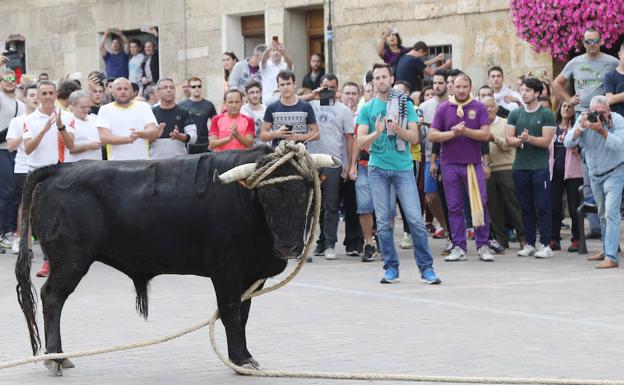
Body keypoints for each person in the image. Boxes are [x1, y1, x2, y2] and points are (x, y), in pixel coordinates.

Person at [356, 63, 441, 284]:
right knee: (383, 222)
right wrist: (378, 132)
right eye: (377, 77)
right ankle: (391, 268)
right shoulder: (367, 108)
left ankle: (426, 269)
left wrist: (398, 130)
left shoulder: (404, 104)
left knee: (415, 219)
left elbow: (414, 138)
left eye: (384, 76)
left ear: (391, 79)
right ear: (372, 81)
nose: (381, 80)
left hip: (403, 169)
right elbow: (360, 141)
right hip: (377, 169)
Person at [553, 29, 618, 240]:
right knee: (587, 165)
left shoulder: (610, 61)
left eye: (596, 40)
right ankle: (596, 225)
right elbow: (556, 83)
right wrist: (568, 99)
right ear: (582, 42)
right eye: (588, 41)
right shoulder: (575, 62)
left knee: (609, 158)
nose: (592, 44)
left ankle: (608, 220)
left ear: (601, 41)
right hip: (582, 114)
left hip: (605, 116)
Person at [428, 73, 495, 262]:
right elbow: (432, 135)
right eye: (458, 86)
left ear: (470, 87)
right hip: (449, 164)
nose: (461, 90)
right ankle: (459, 246)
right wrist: (452, 133)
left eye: (465, 86)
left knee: (480, 203)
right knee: (454, 206)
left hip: (472, 164)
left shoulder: (479, 107)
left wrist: (465, 131)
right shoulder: (443, 108)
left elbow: (485, 134)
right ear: (452, 88)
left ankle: (483, 245)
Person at [22, 81, 75, 277]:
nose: (47, 96)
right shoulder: (30, 119)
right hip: (37, 173)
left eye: (50, 92)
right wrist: (44, 130)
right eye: (43, 93)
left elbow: (71, 145)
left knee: (62, 218)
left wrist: (60, 126)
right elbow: (27, 149)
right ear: (38, 95)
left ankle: (58, 259)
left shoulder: (67, 117)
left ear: (55, 95)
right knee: (39, 220)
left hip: (61, 172)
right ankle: (47, 260)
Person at [564, 95, 624, 268]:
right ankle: (606, 250)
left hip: (616, 172)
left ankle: (612, 257)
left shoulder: (618, 121)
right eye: (595, 113)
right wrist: (579, 129)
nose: (599, 117)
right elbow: (568, 142)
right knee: (602, 214)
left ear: (609, 111)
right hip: (595, 174)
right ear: (590, 111)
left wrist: (602, 131)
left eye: (602, 113)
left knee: (611, 214)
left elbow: (620, 146)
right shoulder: (584, 119)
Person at [505, 78, 556, 258]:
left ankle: (546, 244)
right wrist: (520, 140)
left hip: (539, 167)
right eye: (522, 90)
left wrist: (529, 139)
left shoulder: (547, 114)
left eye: (527, 90)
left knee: (543, 206)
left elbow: (546, 141)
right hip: (520, 166)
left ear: (537, 93)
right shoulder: (515, 114)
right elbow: (509, 139)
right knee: (525, 207)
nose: (524, 93)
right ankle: (529, 243)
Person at [305, 74, 355, 261]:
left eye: (331, 88)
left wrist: (349, 163)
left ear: (337, 88)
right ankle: (315, 242)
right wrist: (312, 95)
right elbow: (289, 101)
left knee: (331, 205)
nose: (328, 91)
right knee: (312, 205)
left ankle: (329, 244)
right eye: (325, 87)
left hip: (333, 162)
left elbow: (350, 138)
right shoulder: (309, 106)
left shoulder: (343, 110)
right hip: (311, 161)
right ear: (320, 86)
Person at [482, 97, 525, 249]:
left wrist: (495, 139)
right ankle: (501, 239)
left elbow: (510, 144)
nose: (488, 109)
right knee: (493, 207)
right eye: (484, 107)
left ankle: (523, 237)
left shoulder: (505, 123)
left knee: (513, 205)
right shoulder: (479, 126)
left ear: (496, 108)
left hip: (506, 168)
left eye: (491, 106)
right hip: (487, 171)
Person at [6, 83, 38, 254]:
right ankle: (24, 242)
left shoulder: (47, 118)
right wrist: (24, 134)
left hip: (44, 167)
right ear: (24, 98)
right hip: (23, 167)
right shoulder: (17, 121)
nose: (35, 98)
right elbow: (10, 146)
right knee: (25, 205)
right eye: (31, 95)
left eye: (37, 95)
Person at [97, 78, 162, 161]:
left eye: (126, 89)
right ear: (113, 92)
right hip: (116, 164)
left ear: (131, 91)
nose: (123, 91)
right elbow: (104, 137)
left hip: (142, 163)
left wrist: (141, 134)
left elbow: (153, 131)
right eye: (119, 89)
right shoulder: (105, 109)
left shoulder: (144, 107)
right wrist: (128, 139)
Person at [549, 100, 583, 252]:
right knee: (554, 207)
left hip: (573, 173)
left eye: (570, 106)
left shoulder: (577, 127)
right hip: (553, 173)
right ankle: (553, 239)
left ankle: (577, 240)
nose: (566, 108)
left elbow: (583, 148)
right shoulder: (552, 128)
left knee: (575, 207)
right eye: (564, 106)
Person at [420, 70, 449, 240]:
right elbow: (421, 137)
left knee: (452, 198)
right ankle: (445, 226)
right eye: (435, 83)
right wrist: (421, 128)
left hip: (451, 157)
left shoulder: (453, 104)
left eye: (440, 83)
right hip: (431, 157)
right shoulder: (425, 106)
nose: (437, 86)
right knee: (430, 198)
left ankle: (454, 232)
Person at [260, 70, 320, 147]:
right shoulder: (272, 108)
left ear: (294, 84)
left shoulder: (305, 107)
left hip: (299, 154)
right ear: (278, 87)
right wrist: (276, 134)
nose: (285, 87)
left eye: (288, 84)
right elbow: (262, 135)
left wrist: (298, 137)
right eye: (282, 85)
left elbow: (316, 134)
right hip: (278, 155)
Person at [0, 69, 25, 250]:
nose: (9, 81)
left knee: (15, 192)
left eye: (12, 78)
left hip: (16, 151)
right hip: (1, 149)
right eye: (5, 78)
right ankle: (4, 232)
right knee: (7, 191)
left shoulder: (20, 104)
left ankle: (12, 231)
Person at [150, 78, 197, 159]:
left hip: (180, 162)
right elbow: (142, 141)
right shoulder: (151, 113)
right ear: (158, 92)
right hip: (156, 163)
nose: (169, 90)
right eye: (165, 87)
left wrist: (180, 136)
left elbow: (193, 138)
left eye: (171, 87)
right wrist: (155, 135)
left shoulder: (184, 112)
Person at [179, 77, 217, 153]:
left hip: (205, 142)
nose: (197, 88)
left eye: (199, 86)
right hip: (189, 143)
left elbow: (215, 123)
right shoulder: (182, 105)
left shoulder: (209, 105)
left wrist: (213, 139)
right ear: (189, 89)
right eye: (193, 87)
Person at [64, 90, 102, 162]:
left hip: (97, 167)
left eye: (88, 106)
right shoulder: (67, 121)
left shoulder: (94, 118)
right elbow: (70, 149)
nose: (86, 110)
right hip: (78, 169)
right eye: (83, 107)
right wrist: (89, 146)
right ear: (72, 106)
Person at [240, 80, 266, 144]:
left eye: (257, 92)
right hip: (248, 149)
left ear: (261, 93)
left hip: (266, 148)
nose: (255, 95)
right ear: (246, 94)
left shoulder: (267, 109)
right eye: (252, 92)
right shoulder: (241, 111)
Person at [605, 42, 624, 118]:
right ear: (619, 54)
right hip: (618, 119)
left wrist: (617, 98)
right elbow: (609, 99)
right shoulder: (610, 75)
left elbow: (613, 98)